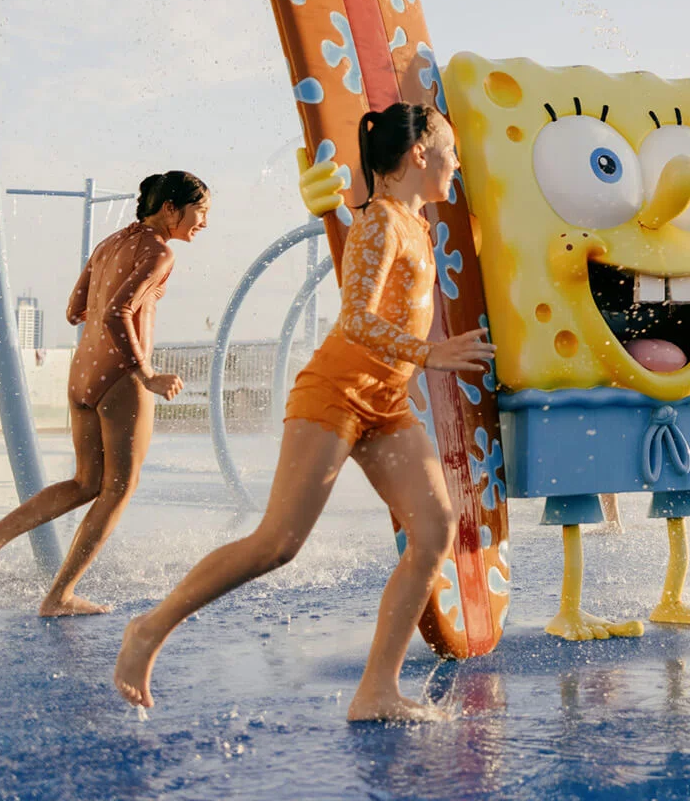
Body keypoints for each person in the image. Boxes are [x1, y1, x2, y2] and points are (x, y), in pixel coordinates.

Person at [115, 104, 495, 721]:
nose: (457, 161)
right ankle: (149, 628)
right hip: (334, 395)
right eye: (449, 148)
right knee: (278, 542)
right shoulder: (380, 224)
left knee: (433, 531)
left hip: (385, 403)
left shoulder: (419, 225)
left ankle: (376, 690)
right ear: (420, 153)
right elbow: (356, 320)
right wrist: (431, 354)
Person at [0, 171, 207, 615]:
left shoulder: (108, 244)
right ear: (171, 209)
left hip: (82, 374)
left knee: (86, 483)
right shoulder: (160, 252)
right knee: (119, 489)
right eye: (200, 212)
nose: (203, 222)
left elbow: (75, 312)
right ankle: (60, 595)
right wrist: (146, 373)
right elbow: (117, 313)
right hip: (120, 378)